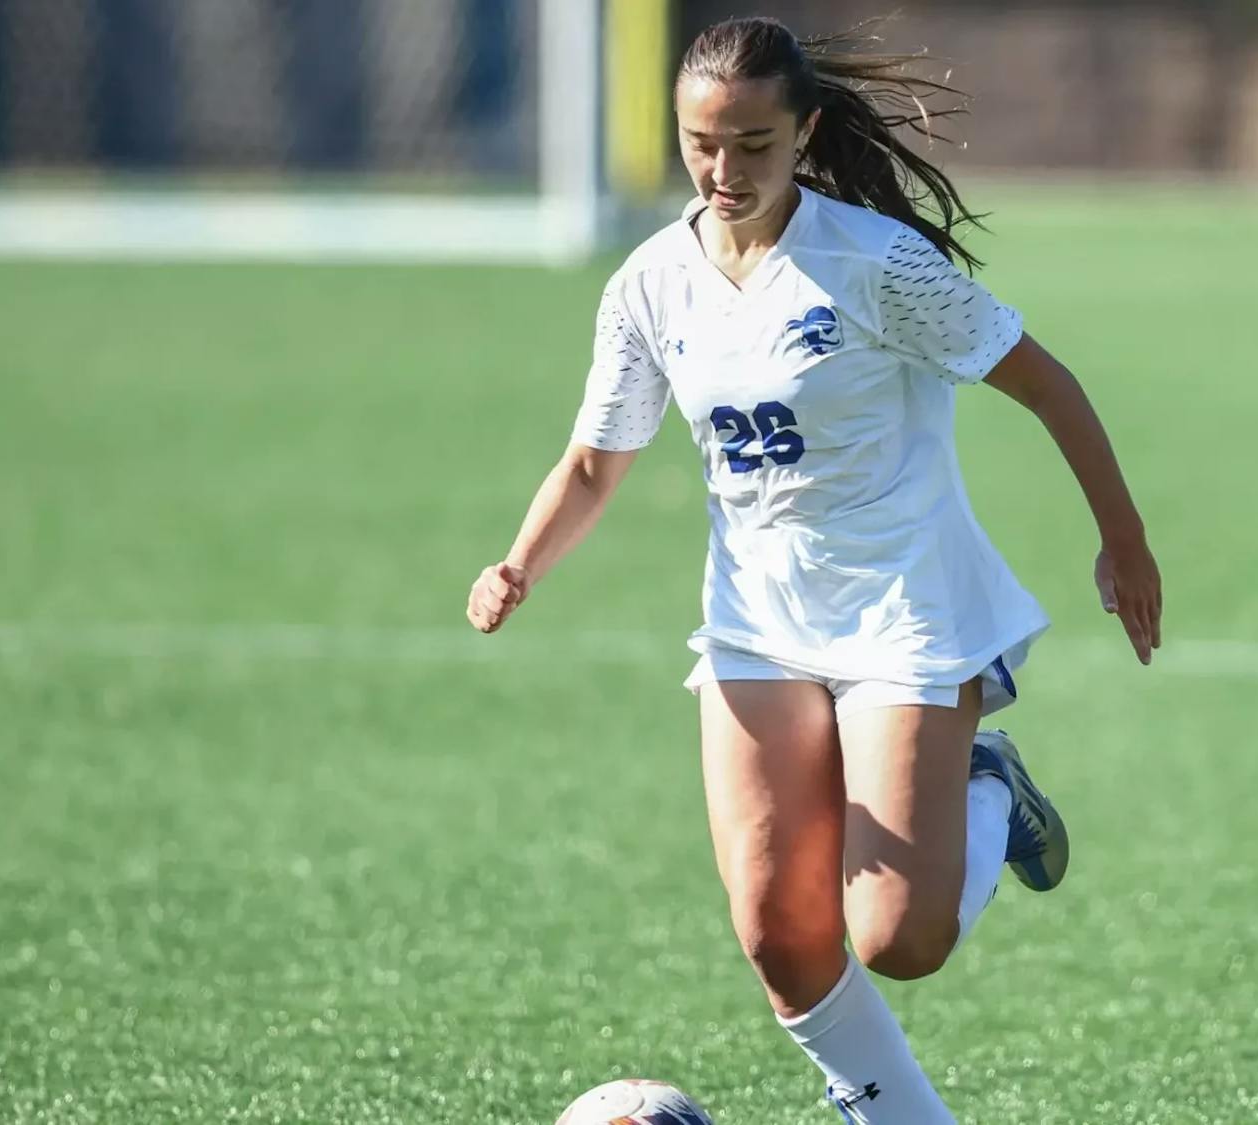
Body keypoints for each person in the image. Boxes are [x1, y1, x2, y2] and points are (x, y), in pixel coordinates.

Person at [467, 16, 1162, 1123]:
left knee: (898, 940)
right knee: (780, 938)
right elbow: (597, 461)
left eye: (753, 143)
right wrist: (518, 564)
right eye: (704, 143)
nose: (725, 169)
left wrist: (1122, 541)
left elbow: (1048, 387)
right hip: (755, 620)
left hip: (901, 610)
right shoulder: (650, 283)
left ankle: (991, 786)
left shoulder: (878, 265)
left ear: (806, 134)